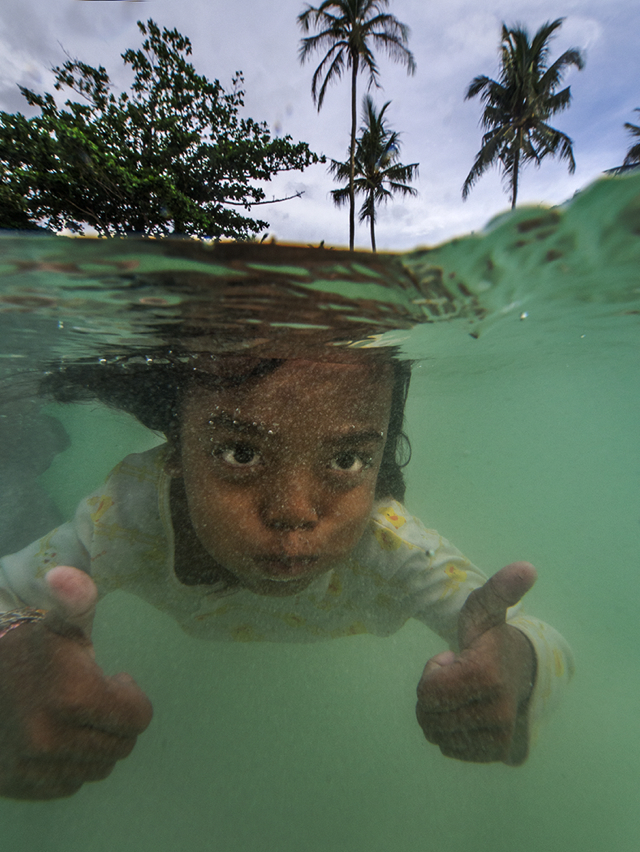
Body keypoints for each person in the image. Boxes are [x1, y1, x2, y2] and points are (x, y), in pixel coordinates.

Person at [0, 346, 573, 800]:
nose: (294, 513)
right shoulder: (130, 515)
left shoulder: (390, 543)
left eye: (346, 460)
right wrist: (12, 654)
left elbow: (542, 643)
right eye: (241, 454)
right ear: (175, 447)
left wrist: (515, 666)